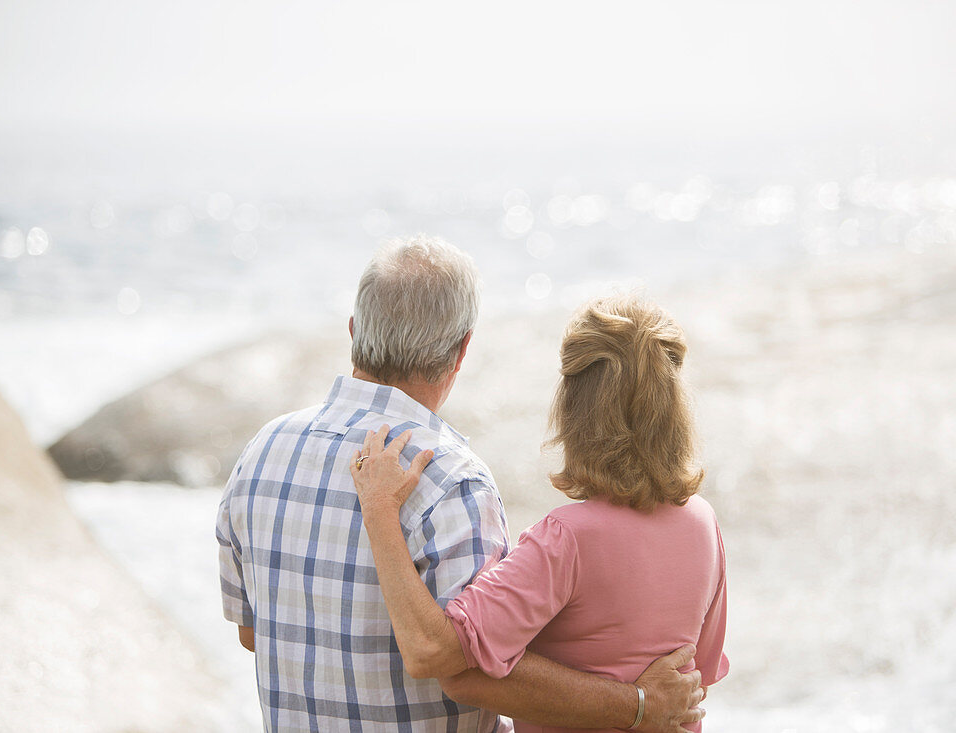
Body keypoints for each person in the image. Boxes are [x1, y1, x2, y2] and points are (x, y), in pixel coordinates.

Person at [216, 236, 706, 732]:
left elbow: (253, 633)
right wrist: (638, 705)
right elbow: (470, 668)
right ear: (462, 349)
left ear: (353, 330)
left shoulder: (261, 452)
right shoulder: (452, 480)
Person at [350, 294, 728, 733]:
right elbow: (695, 683)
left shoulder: (567, 538)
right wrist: (640, 704)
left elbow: (439, 654)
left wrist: (379, 510)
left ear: (575, 407)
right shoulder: (704, 523)